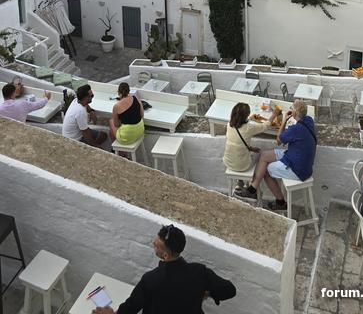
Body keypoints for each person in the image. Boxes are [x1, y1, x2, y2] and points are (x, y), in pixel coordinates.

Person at [92, 223, 236, 314]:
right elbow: (229, 290)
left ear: (165, 256)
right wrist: (206, 292)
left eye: (155, 245)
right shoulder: (200, 272)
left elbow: (131, 308)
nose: (153, 245)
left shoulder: (151, 280)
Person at [235, 99, 316, 211]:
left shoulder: (296, 129)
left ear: (294, 113)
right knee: (264, 155)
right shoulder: (309, 121)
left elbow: (279, 141)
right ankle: (252, 190)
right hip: (297, 157)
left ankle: (280, 202)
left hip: (297, 169)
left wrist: (284, 121)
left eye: (291, 108)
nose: (290, 110)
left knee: (266, 170)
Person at [223, 102, 279, 175]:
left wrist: (250, 148)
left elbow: (238, 142)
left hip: (228, 162)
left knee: (244, 152)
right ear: (247, 115)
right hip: (243, 166)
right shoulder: (249, 128)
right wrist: (274, 115)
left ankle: (240, 180)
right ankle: (257, 178)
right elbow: (265, 126)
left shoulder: (229, 124)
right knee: (261, 156)